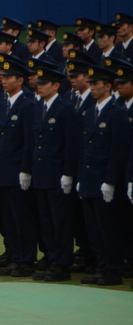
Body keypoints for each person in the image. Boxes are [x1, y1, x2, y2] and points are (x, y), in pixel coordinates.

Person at [77, 64, 130, 286]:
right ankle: (101, 267)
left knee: (108, 228)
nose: (92, 88)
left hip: (105, 181)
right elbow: (84, 148)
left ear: (108, 86)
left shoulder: (117, 113)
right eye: (90, 84)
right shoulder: (90, 112)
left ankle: (112, 270)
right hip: (89, 180)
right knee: (94, 229)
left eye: (95, 84)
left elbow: (118, 150)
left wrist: (110, 181)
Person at [25, 65, 79, 282]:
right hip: (40, 175)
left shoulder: (65, 109)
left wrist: (68, 173)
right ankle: (51, 257)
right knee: (45, 221)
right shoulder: (39, 108)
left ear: (56, 85)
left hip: (57, 176)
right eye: (38, 84)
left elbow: (70, 144)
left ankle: (62, 263)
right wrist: (27, 170)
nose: (39, 87)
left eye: (44, 84)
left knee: (61, 222)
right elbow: (33, 142)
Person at [0, 56, 39, 278]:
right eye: (3, 77)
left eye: (8, 77)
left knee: (22, 218)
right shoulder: (3, 102)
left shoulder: (28, 104)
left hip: (18, 171)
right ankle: (14, 255)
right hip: (3, 170)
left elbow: (29, 140)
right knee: (7, 218)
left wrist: (26, 170)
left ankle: (25, 260)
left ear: (20, 80)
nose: (3, 80)